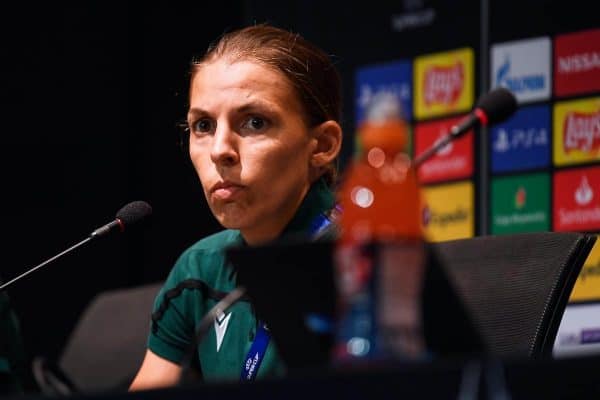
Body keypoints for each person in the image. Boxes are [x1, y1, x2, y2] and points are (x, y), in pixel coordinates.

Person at [129, 23, 343, 390]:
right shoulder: (200, 270)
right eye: (203, 125)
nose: (218, 150)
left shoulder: (363, 263)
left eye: (254, 122)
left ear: (322, 145)